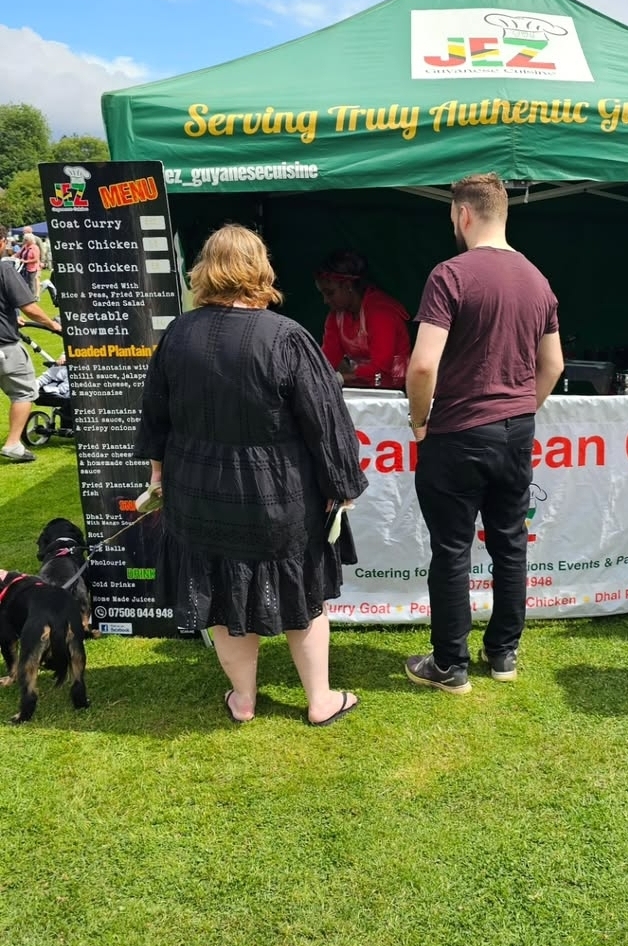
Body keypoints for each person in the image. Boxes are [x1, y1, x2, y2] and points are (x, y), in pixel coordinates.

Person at [134, 224, 369, 725]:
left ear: (205, 270)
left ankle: (243, 700)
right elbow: (326, 423)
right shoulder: (285, 336)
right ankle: (320, 700)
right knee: (303, 596)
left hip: (197, 492)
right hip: (276, 496)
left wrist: (158, 477)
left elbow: (155, 415)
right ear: (259, 269)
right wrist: (342, 487)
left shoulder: (178, 334)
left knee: (221, 596)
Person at [404, 172, 564, 694]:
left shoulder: (450, 274)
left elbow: (423, 365)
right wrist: (522, 409)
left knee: (452, 548)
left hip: (457, 432)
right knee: (510, 544)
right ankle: (503, 655)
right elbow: (554, 365)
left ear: (462, 215)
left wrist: (419, 420)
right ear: (504, 213)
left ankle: (450, 665)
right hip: (516, 432)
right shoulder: (538, 279)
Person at [0, 224, 62, 463]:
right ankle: (13, 444)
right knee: (24, 392)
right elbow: (30, 306)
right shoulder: (5, 270)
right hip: (5, 348)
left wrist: (11, 317)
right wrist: (52, 324)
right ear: (3, 243)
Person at [315, 251, 411, 389]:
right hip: (362, 389)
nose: (325, 300)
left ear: (348, 286)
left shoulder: (381, 313)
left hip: (396, 393)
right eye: (323, 294)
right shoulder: (335, 317)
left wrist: (341, 378)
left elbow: (381, 369)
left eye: (330, 293)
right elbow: (327, 360)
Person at [19, 229, 41, 300]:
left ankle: (32, 297)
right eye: (24, 239)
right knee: (24, 282)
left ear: (30, 240)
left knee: (32, 283)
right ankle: (27, 296)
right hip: (25, 268)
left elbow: (36, 259)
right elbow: (19, 253)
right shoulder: (25, 247)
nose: (24, 241)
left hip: (32, 268)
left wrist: (25, 261)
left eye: (26, 240)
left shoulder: (35, 248)